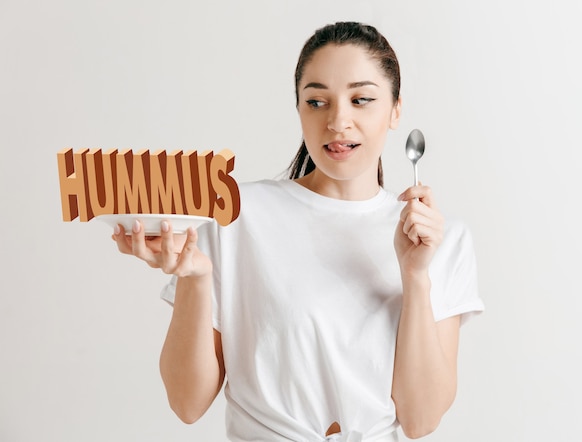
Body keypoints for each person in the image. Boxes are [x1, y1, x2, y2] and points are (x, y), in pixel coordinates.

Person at [112, 21, 484, 442]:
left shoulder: (442, 239)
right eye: (316, 102)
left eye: (361, 99)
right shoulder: (232, 213)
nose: (338, 121)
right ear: (299, 110)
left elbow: (421, 419)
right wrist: (194, 278)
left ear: (396, 110)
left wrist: (416, 276)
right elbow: (187, 402)